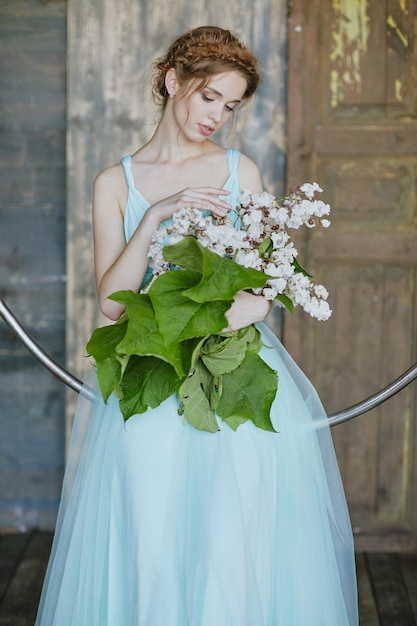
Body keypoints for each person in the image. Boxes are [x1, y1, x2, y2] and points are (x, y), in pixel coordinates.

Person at [35, 25, 358, 626]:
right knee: (149, 542)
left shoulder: (242, 173)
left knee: (231, 548)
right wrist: (154, 216)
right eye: (210, 97)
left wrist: (226, 317)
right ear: (173, 80)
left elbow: (263, 292)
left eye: (231, 106)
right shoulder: (117, 183)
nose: (218, 116)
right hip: (151, 376)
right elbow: (112, 304)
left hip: (232, 372)